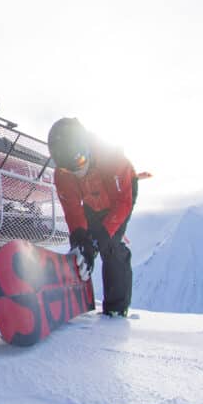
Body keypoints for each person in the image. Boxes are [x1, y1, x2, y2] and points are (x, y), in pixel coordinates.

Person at [48, 117, 137, 317]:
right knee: (84, 245)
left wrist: (102, 236)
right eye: (67, 168)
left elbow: (123, 202)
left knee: (110, 245)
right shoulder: (64, 173)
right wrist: (81, 239)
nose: (76, 172)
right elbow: (73, 210)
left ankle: (116, 308)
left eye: (79, 162)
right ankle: (76, 291)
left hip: (120, 196)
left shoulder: (113, 160)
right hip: (91, 198)